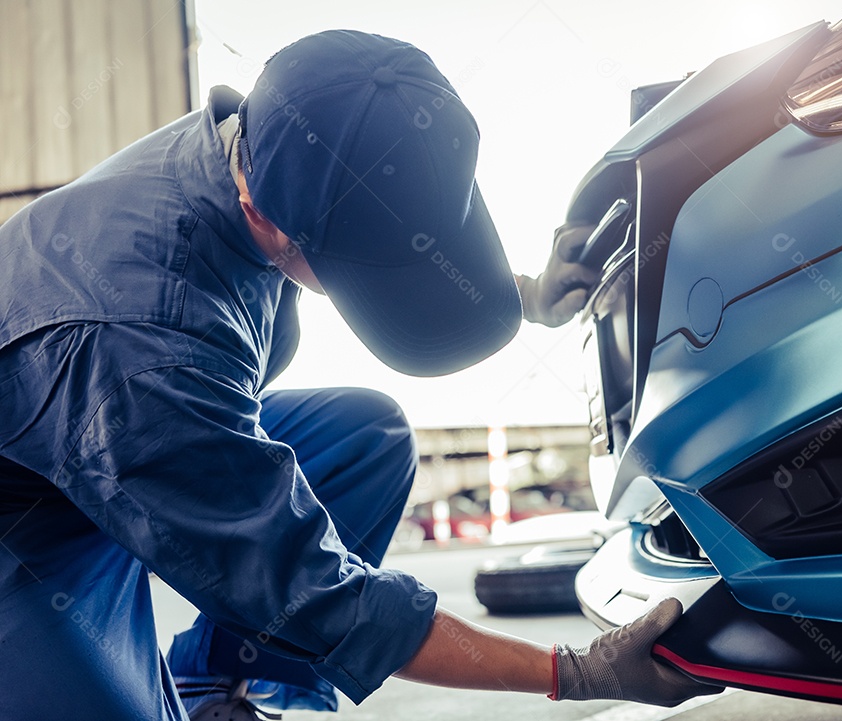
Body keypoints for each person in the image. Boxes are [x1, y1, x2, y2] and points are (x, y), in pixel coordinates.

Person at [0, 30, 717, 720]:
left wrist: (525, 295)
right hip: (32, 525)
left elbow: (386, 202)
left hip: (112, 430)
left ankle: (211, 679)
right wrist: (574, 670)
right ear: (265, 219)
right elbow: (321, 598)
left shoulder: (273, 138)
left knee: (363, 436)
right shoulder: (144, 341)